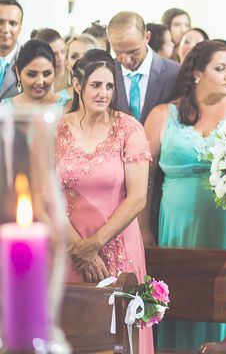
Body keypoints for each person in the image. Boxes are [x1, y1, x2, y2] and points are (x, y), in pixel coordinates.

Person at [142, 40, 226, 349]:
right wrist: (143, 228)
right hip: (178, 226)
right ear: (197, 74)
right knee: (180, 296)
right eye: (220, 67)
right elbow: (145, 178)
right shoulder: (164, 114)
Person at [56, 49, 152, 353]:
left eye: (110, 86)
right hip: (68, 243)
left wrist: (95, 244)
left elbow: (137, 198)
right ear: (77, 84)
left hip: (118, 241)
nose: (103, 93)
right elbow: (46, 195)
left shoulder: (128, 128)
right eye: (96, 85)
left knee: (120, 333)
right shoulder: (56, 130)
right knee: (73, 330)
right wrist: (78, 248)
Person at [107, 11, 180, 124]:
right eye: (117, 52)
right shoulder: (106, 73)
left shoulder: (175, 73)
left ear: (147, 37)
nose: (126, 60)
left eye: (133, 51)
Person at [0, 40, 67, 109]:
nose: (40, 82)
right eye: (32, 74)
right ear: (18, 73)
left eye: (47, 74)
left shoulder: (68, 107)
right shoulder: (4, 109)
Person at [56, 34, 100, 105]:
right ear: (67, 63)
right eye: (74, 56)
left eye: (87, 56)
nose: (80, 61)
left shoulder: (108, 96)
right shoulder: (57, 101)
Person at [0, 0, 23, 100]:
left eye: (12, 23)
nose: (5, 30)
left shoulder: (29, 60)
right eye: (0, 22)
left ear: (20, 28)